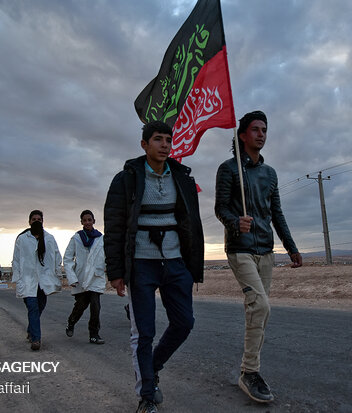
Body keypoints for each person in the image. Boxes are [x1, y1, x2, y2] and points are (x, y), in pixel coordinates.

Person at [104, 121, 204, 413]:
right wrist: (116, 272)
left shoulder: (182, 178)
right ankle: (147, 395)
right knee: (143, 332)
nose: (164, 145)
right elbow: (114, 228)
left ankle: (153, 365)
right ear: (144, 144)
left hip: (175, 262)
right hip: (140, 265)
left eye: (168, 140)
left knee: (184, 323)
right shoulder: (125, 179)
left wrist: (192, 265)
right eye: (157, 139)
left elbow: (191, 223)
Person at [215, 110, 303, 403]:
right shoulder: (228, 169)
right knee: (261, 305)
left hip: (266, 250)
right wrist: (233, 222)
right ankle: (249, 371)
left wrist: (290, 247)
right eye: (255, 129)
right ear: (243, 135)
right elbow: (220, 207)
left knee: (259, 312)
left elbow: (276, 213)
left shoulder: (270, 174)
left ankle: (249, 372)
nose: (261, 134)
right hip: (240, 248)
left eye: (264, 129)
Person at [12, 210, 62, 351]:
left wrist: (57, 275)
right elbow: (16, 259)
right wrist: (18, 278)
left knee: (40, 305)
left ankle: (31, 329)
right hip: (27, 280)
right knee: (33, 307)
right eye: (34, 219)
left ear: (42, 221)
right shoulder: (22, 239)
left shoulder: (50, 238)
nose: (36, 221)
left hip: (44, 280)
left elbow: (57, 257)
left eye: (39, 219)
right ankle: (36, 339)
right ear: (29, 222)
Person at [64, 210, 106, 344]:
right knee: (81, 305)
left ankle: (94, 334)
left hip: (95, 277)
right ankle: (71, 321)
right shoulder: (76, 238)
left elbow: (107, 257)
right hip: (80, 278)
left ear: (94, 221)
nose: (87, 222)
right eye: (85, 220)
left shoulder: (101, 238)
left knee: (95, 306)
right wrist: (71, 277)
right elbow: (68, 258)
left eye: (90, 220)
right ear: (81, 222)